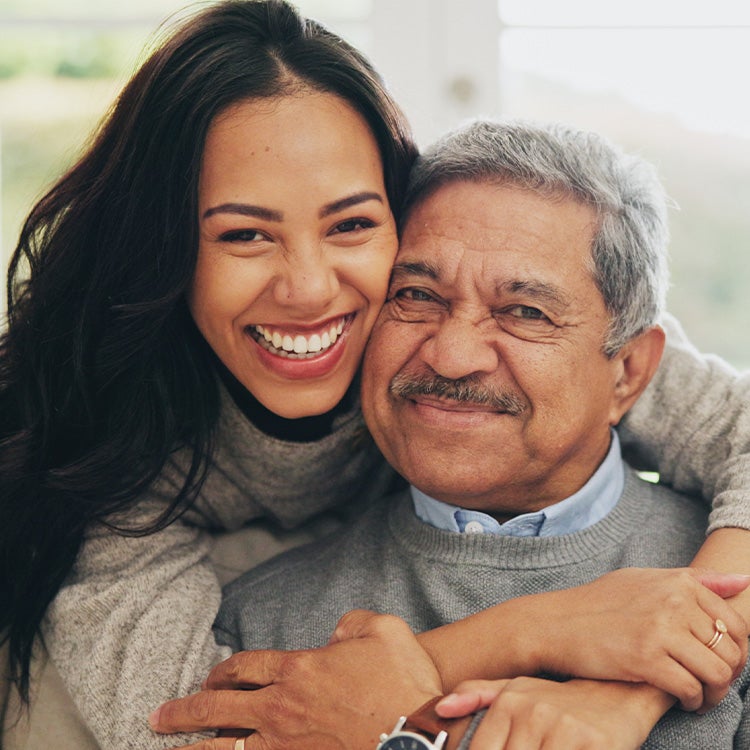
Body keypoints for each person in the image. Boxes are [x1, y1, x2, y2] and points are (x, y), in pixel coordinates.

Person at [1, 1, 749, 748]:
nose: (309, 289)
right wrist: (522, 637)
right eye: (244, 234)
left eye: (351, 224)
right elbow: (198, 734)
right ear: (166, 253)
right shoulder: (106, 453)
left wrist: (645, 675)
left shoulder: (518, 318)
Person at [210, 119, 750, 750]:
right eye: (416, 295)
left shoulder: (731, 595)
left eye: (525, 312)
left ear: (628, 372)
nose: (452, 355)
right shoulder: (264, 629)